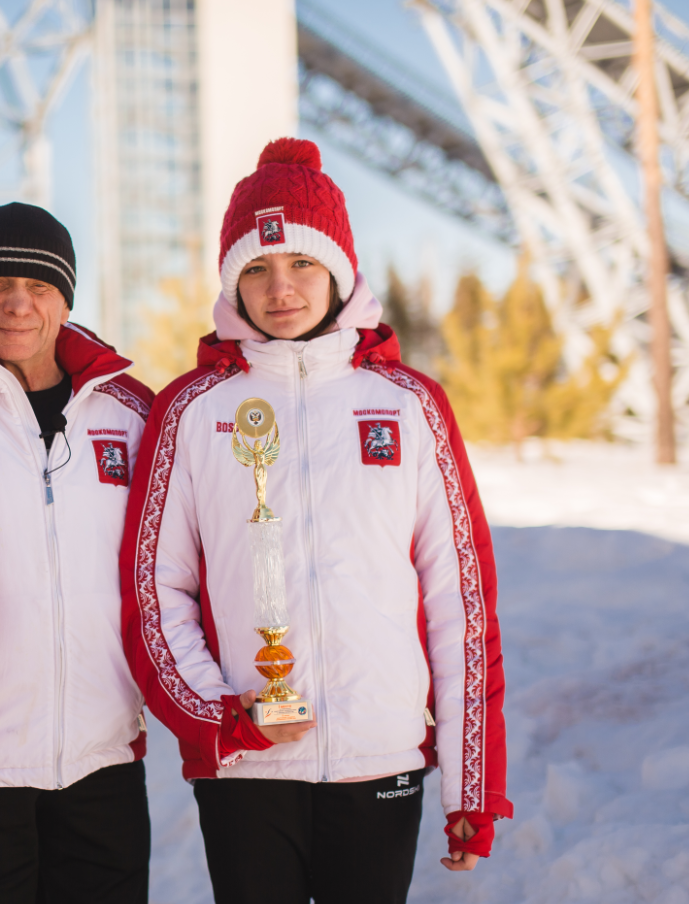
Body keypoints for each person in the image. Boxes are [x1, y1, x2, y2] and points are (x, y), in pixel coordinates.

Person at [119, 138, 511, 904]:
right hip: (248, 762)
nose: (280, 287)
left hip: (379, 758)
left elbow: (459, 604)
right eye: (255, 269)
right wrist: (221, 717)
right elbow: (151, 593)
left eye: (301, 263)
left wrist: (473, 787)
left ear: (338, 271)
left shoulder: (407, 405)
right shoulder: (191, 411)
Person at [0, 203, 155, 904]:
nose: (17, 303)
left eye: (39, 286)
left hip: (102, 760)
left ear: (66, 298)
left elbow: (194, 558)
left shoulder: (131, 412)